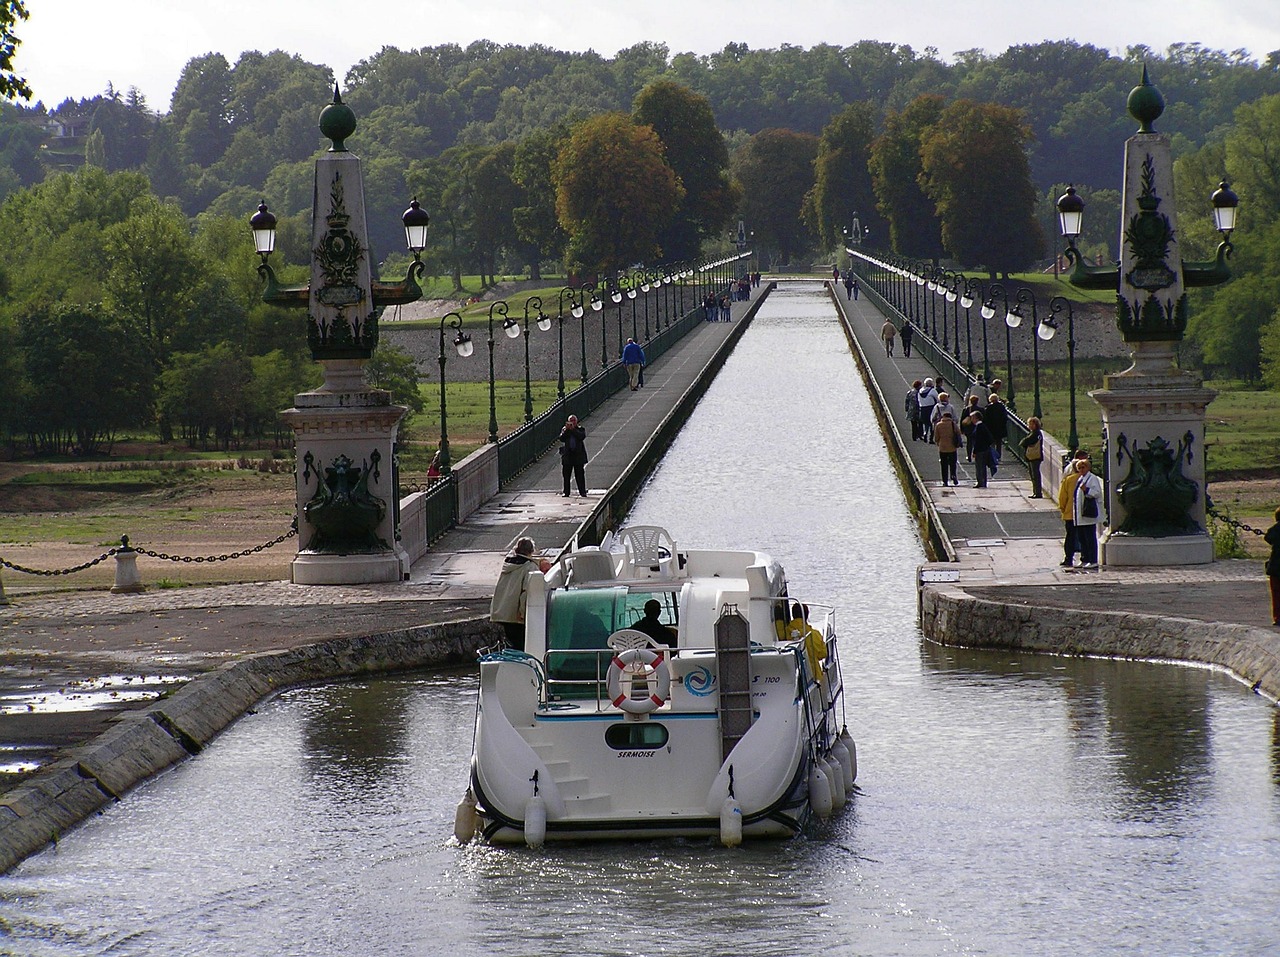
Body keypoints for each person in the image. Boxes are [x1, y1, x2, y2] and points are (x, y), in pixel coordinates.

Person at [490, 537, 551, 650]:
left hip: (503, 612)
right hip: (516, 615)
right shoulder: (529, 567)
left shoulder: (508, 564)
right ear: (531, 551)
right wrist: (522, 614)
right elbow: (526, 592)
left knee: (512, 642)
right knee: (522, 645)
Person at [1072, 454, 1104, 568]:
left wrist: (1087, 490)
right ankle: (1084, 558)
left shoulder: (1092, 478)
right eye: (1079, 468)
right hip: (1080, 514)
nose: (1081, 470)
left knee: (1090, 538)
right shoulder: (1080, 479)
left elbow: (1096, 493)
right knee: (1082, 538)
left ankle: (1092, 559)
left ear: (1088, 468)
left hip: (1088, 514)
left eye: (1083, 467)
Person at [1057, 452, 1085, 567]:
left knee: (1070, 537)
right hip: (1084, 514)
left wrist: (1063, 509)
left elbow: (1062, 498)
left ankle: (1068, 558)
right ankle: (1086, 558)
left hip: (1070, 513)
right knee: (1084, 537)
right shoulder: (1086, 478)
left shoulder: (1068, 480)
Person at [558, 414, 588, 496]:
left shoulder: (580, 429)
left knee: (580, 475)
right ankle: (566, 492)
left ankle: (582, 491)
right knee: (566, 475)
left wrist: (573, 430)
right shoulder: (565, 430)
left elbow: (581, 436)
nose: (572, 422)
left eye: (574, 421)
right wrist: (568, 430)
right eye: (571, 421)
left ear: (576, 421)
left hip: (578, 456)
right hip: (568, 456)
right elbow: (562, 438)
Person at [934, 409, 962, 486]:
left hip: (942, 447)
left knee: (944, 464)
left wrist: (938, 442)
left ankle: (945, 481)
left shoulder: (938, 425)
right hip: (952, 447)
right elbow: (958, 433)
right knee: (953, 463)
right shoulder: (953, 424)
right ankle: (953, 475)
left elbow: (936, 437)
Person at [1020, 416, 1045, 498]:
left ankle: (1038, 493)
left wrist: (1024, 442)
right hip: (1033, 457)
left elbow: (1025, 441)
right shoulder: (1034, 433)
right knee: (1033, 475)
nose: (1029, 426)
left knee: (1035, 475)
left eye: (1031, 424)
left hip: (1035, 457)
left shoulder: (1036, 433)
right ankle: (1035, 492)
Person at [969, 410, 993, 487]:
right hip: (984, 449)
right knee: (982, 467)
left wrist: (974, 451)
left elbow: (977, 441)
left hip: (980, 450)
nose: (971, 420)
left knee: (979, 467)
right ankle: (983, 481)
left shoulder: (979, 427)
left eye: (972, 418)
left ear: (976, 418)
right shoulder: (983, 426)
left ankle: (980, 482)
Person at [983, 393, 1009, 464]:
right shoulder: (1001, 407)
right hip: (1000, 428)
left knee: (992, 443)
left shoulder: (988, 408)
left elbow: (985, 419)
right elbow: (1005, 417)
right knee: (999, 443)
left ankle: (993, 456)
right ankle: (998, 456)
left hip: (991, 428)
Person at [1264, 508, 1280, 625]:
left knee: (1276, 594)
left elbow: (1268, 538)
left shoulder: (1275, 530)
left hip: (1275, 567)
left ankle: (1277, 617)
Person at [916, 377, 939, 442]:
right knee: (932, 423)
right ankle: (931, 438)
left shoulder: (920, 391)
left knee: (925, 423)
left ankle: (925, 433)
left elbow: (918, 400)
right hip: (931, 408)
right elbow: (938, 399)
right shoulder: (933, 391)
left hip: (922, 409)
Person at [959, 395, 981, 462]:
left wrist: (962, 429)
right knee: (977, 442)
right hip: (977, 427)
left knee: (969, 442)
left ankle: (969, 456)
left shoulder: (966, 409)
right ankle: (977, 455)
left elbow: (962, 419)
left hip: (968, 428)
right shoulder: (980, 409)